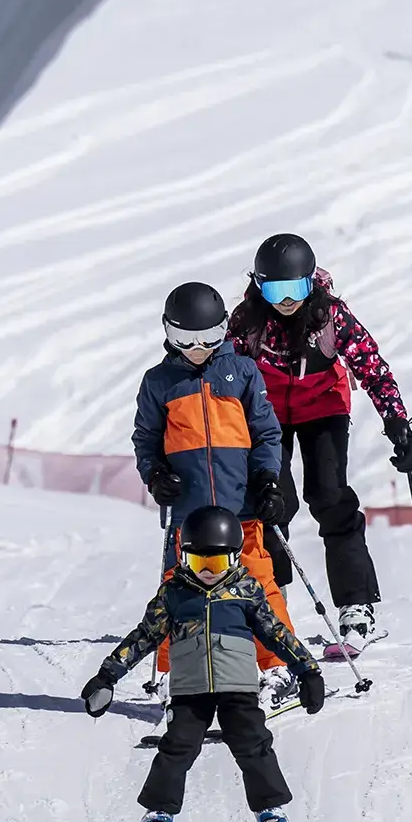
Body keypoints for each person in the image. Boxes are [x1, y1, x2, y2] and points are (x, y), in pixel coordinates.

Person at [82, 505, 324, 822]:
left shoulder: (246, 591)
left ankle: (271, 816)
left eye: (217, 562)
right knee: (176, 749)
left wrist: (307, 670)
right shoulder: (175, 593)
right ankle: (158, 820)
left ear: (235, 557)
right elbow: (145, 636)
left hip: (238, 688)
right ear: (184, 557)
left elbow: (276, 634)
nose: (208, 571)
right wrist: (107, 676)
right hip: (190, 691)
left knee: (254, 746)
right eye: (198, 562)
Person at [227, 232, 412, 651]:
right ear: (259, 286)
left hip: (324, 407)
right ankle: (271, 599)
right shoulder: (247, 321)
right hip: (267, 414)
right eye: (275, 290)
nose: (286, 300)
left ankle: (357, 606)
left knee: (330, 495)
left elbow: (371, 366)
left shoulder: (330, 316)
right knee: (272, 500)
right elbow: (223, 373)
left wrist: (396, 421)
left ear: (310, 283)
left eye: (295, 289)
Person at [132, 280, 301, 697]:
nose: (198, 349)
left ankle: (279, 666)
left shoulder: (243, 372)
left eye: (209, 338)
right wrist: (156, 476)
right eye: (185, 339)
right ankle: (174, 671)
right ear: (168, 333)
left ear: (224, 330)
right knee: (177, 589)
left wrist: (267, 479)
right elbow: (146, 440)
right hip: (188, 515)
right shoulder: (159, 382)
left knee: (258, 583)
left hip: (240, 507)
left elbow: (266, 434)